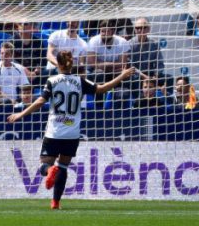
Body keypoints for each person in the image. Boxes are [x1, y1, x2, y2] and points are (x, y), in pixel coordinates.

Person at [8, 52, 136, 210]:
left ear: (58, 64)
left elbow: (41, 101)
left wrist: (20, 114)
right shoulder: (79, 81)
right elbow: (101, 89)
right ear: (71, 64)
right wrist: (121, 76)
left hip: (54, 132)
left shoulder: (52, 81)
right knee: (63, 167)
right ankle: (55, 202)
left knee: (44, 165)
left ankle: (50, 170)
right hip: (72, 133)